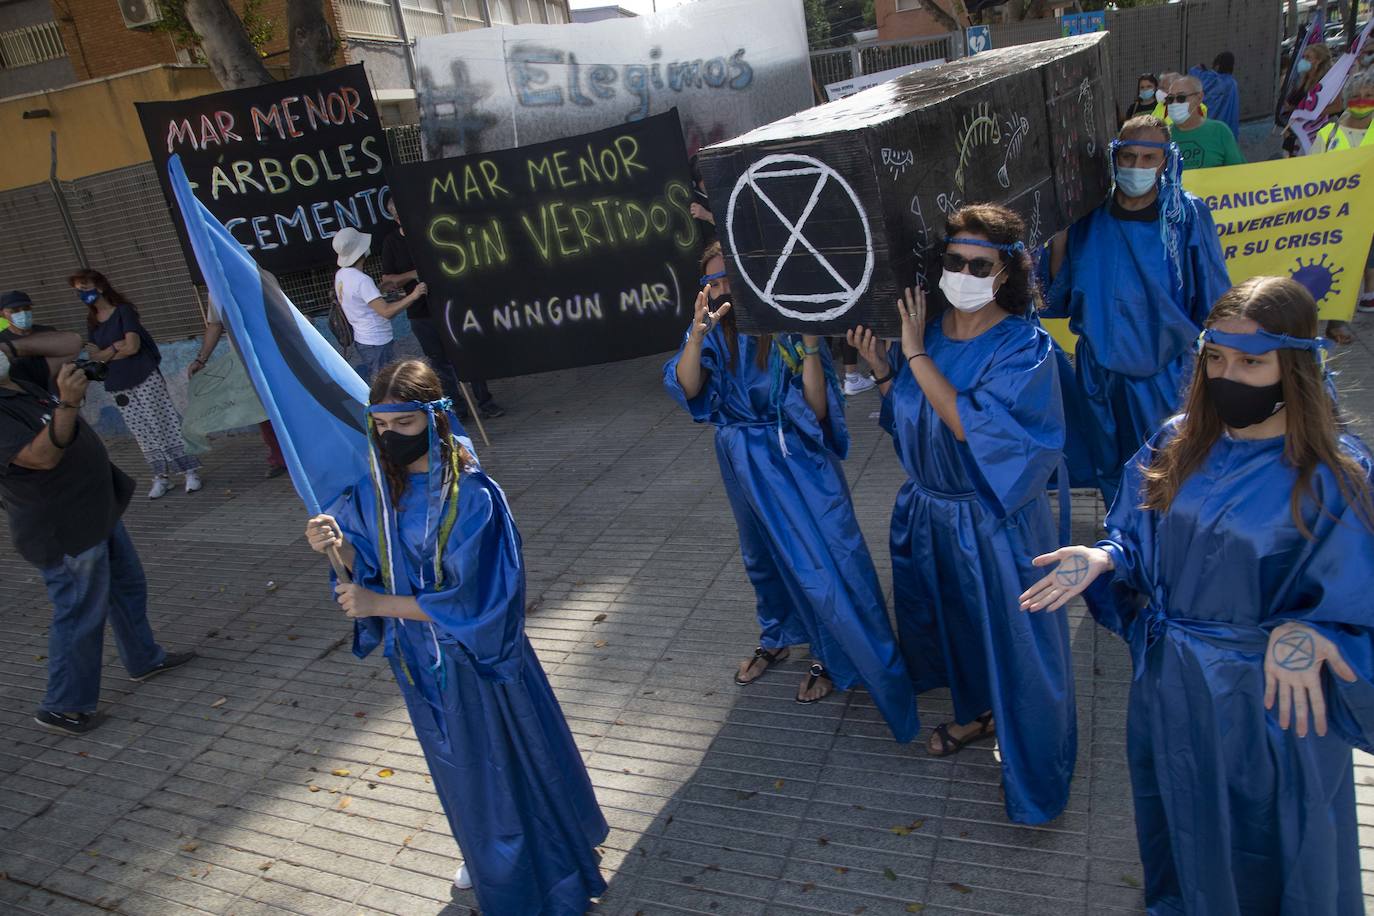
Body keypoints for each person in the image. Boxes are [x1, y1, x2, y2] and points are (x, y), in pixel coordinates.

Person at [1021, 276, 1374, 915]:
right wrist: (1104, 557)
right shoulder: (1179, 440)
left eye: (1251, 361)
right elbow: (1140, 535)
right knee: (1178, 815)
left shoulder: (1333, 474)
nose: (1227, 374)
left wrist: (1315, 631)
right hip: (1171, 681)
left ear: (1293, 364)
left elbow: (1358, 593)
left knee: (1273, 838)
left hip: (1267, 700)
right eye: (1216, 356)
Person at [304, 359, 607, 912]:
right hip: (419, 660)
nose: (390, 438)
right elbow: (366, 555)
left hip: (478, 660)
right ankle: (485, 845)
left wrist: (379, 604)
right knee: (460, 768)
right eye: (381, 426)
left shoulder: (471, 497)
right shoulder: (374, 490)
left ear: (434, 419)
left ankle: (530, 862)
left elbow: (481, 602)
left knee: (504, 761)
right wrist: (334, 544)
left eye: (404, 426)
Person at [847, 204, 1076, 825]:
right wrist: (886, 373)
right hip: (932, 515)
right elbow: (913, 424)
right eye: (954, 260)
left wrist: (915, 356)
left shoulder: (1026, 348)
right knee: (961, 631)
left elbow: (974, 429)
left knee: (1021, 647)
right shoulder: (934, 335)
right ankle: (980, 713)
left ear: (1005, 272)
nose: (965, 272)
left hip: (995, 525)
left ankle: (1037, 768)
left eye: (980, 264)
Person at [663, 242, 919, 740]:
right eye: (709, 282)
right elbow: (688, 388)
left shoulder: (784, 325)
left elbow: (818, 411)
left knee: (822, 564)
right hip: (741, 460)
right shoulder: (713, 331)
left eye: (727, 278)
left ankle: (836, 655)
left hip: (796, 462)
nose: (719, 289)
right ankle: (778, 634)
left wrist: (805, 343)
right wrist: (695, 337)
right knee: (762, 557)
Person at [0, 351, 195, 736]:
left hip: (95, 509)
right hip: (62, 527)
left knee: (127, 587)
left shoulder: (20, 384)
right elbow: (39, 458)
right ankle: (63, 706)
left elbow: (67, 340)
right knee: (78, 613)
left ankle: (144, 658)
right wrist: (69, 402)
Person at [1046, 116, 1231, 504]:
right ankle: (1121, 542)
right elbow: (1057, 294)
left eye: (1149, 158)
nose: (1136, 167)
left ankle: (1163, 542)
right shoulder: (1090, 215)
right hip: (1099, 370)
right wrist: (1059, 232)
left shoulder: (1185, 216)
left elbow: (1214, 295)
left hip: (1163, 369)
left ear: (1167, 161)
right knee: (1110, 464)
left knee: (1166, 462)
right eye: (1128, 156)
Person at [73, 269, 201, 499]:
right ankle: (161, 476)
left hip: (143, 375)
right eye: (78, 289)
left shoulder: (123, 311)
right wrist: (114, 348)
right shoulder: (92, 322)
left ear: (100, 286)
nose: (82, 293)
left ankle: (189, 471)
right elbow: (95, 356)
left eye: (85, 286)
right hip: (117, 383)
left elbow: (132, 347)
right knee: (142, 430)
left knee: (163, 421)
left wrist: (107, 352)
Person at [379, 200, 504, 420]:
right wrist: (413, 275)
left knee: (469, 353)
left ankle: (486, 402)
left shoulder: (431, 230)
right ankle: (457, 408)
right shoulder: (391, 242)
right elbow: (388, 281)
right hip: (421, 312)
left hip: (452, 305)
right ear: (396, 218)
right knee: (439, 362)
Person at [1310, 69, 1374, 321]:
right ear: (1347, 100)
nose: (1362, 100)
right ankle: (1336, 315)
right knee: (1341, 256)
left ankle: (1369, 293)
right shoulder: (1328, 134)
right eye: (1356, 95)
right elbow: (1310, 173)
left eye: (1369, 95)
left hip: (1369, 207)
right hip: (1335, 210)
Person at [190, 315, 286, 478]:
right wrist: (201, 360)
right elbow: (215, 324)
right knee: (262, 413)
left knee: (288, 407)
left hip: (275, 352)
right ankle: (279, 458)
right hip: (247, 363)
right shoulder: (215, 292)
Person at [331, 226, 427, 383]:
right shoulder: (362, 280)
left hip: (364, 339)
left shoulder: (341, 275)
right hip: (377, 341)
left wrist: (378, 290)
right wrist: (414, 296)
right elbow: (386, 311)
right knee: (385, 386)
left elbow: (360, 300)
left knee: (381, 382)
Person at [0, 289, 81, 390]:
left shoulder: (48, 332)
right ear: (2, 313)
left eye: (26, 308)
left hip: (56, 390)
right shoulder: (2, 340)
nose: (23, 313)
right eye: (15, 310)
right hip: (27, 394)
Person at [1166, 75, 1246, 170]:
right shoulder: (1163, 136)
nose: (1174, 103)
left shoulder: (1219, 131)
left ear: (1199, 98)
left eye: (1181, 98)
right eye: (1170, 99)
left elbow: (1239, 172)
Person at [1282, 42, 1334, 158]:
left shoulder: (1324, 84)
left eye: (1308, 57)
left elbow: (1337, 106)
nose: (1304, 60)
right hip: (1293, 133)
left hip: (1311, 133)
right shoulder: (1302, 79)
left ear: (1318, 60)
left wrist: (1308, 112)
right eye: (1303, 57)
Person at [1190, 51, 1240, 139]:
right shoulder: (1233, 84)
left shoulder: (1210, 79)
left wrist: (1200, 68)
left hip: (1207, 130)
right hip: (1227, 132)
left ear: (1217, 65)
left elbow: (1193, 72)